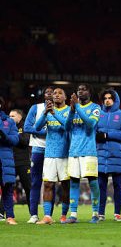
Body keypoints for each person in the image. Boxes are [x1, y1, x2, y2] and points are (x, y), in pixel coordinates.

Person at [64, 83, 101, 224]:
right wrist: (72, 110)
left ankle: (95, 213)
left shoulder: (95, 108)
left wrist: (77, 108)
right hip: (74, 151)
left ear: (89, 92)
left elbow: (90, 125)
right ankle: (73, 215)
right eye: (78, 89)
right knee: (74, 182)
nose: (80, 91)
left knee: (92, 182)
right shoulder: (72, 109)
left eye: (84, 89)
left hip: (89, 151)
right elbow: (67, 127)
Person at [34, 88, 71, 224]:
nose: (56, 95)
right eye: (54, 93)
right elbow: (37, 127)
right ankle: (47, 216)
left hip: (65, 154)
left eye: (60, 93)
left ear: (65, 97)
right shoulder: (48, 112)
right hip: (49, 154)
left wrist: (54, 113)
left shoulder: (69, 110)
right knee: (48, 184)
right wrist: (45, 113)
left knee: (65, 185)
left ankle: (63, 215)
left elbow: (67, 127)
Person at [96, 89, 121, 221]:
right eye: (105, 98)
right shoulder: (98, 114)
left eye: (110, 98)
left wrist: (107, 135)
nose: (107, 100)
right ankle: (101, 213)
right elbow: (94, 132)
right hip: (101, 155)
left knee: (117, 186)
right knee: (101, 186)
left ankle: (117, 213)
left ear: (115, 100)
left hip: (117, 155)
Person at [24, 86, 54, 224]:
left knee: (51, 182)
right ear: (44, 95)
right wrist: (46, 132)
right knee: (36, 182)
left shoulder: (60, 109)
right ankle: (33, 214)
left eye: (52, 93)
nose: (49, 95)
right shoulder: (35, 108)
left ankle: (49, 214)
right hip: (38, 149)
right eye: (47, 92)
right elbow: (27, 128)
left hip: (54, 150)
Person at [0, 99, 19, 224]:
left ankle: (10, 217)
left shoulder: (9, 122)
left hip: (5, 158)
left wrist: (3, 135)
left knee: (7, 189)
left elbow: (15, 140)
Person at [9, 109, 31, 212]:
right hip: (10, 162)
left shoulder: (25, 127)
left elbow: (25, 141)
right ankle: (1, 212)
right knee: (7, 187)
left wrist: (14, 135)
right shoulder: (7, 128)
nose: (10, 118)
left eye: (13, 116)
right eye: (9, 116)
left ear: (20, 117)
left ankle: (33, 213)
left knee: (28, 188)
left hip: (23, 162)